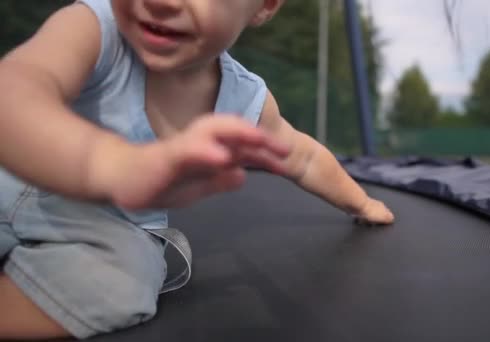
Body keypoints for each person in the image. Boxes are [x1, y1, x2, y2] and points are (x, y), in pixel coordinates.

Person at [0, 0, 394, 339]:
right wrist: (112, 164)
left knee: (129, 281)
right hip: (9, 172)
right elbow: (16, 89)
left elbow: (302, 157)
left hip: (100, 225)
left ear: (264, 5)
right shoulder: (96, 26)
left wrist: (359, 202)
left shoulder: (243, 97)